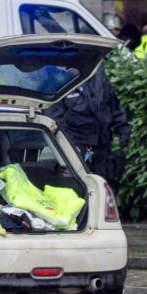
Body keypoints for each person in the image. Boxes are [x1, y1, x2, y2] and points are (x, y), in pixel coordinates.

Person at [47, 64, 132, 196]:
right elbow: (56, 120)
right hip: (77, 145)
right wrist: (69, 144)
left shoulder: (98, 79)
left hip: (102, 144)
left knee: (104, 184)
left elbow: (113, 106)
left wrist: (123, 131)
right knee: (79, 185)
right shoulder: (59, 84)